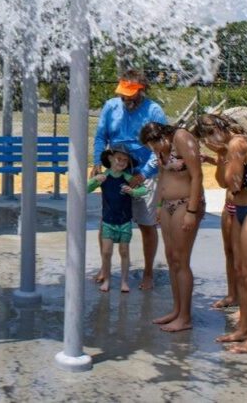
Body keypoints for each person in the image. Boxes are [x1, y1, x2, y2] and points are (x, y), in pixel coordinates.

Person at [195, 113, 247, 353]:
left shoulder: (238, 143)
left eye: (208, 135)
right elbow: (224, 182)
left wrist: (223, 155)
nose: (208, 141)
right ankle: (243, 328)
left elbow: (232, 182)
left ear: (219, 128)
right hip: (242, 210)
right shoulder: (232, 146)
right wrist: (221, 156)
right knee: (241, 272)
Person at [92, 69, 168, 290]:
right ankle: (105, 268)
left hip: (145, 174)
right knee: (107, 221)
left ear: (141, 89)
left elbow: (160, 150)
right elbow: (100, 136)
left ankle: (148, 273)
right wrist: (98, 161)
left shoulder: (154, 111)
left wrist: (143, 174)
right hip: (115, 172)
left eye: (131, 94)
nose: (126, 98)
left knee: (146, 224)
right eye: (123, 93)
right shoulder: (110, 107)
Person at [140, 121, 205, 332]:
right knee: (171, 258)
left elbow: (197, 175)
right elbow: (162, 177)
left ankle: (185, 317)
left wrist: (192, 212)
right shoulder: (161, 150)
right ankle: (177, 310)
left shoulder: (181, 138)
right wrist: (158, 204)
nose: (153, 150)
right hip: (167, 205)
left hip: (185, 204)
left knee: (181, 259)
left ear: (163, 136)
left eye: (154, 145)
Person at [87, 144, 146, 293]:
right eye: (119, 159)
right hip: (108, 221)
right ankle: (106, 279)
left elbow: (144, 189)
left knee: (124, 251)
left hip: (125, 221)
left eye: (125, 161)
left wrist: (133, 191)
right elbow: (85, 189)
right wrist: (95, 180)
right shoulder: (104, 177)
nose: (122, 162)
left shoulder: (127, 178)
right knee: (106, 252)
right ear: (110, 158)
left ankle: (124, 281)